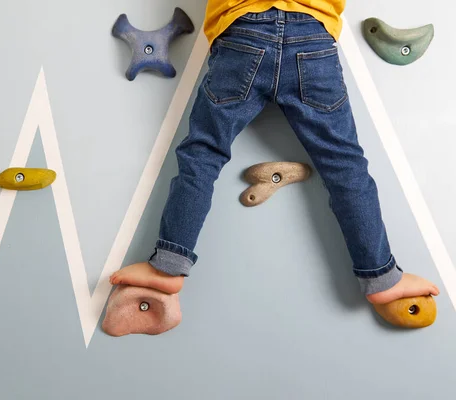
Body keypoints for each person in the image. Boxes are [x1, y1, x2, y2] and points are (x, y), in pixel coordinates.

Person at [110, 1, 439, 306]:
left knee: (203, 155)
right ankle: (381, 276)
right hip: (312, 38)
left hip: (243, 33)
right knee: (345, 165)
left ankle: (168, 266)